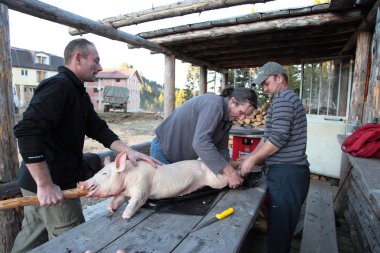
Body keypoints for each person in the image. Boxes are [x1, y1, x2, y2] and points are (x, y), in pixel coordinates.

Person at [11, 38, 160, 253]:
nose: (99, 67)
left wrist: (130, 152)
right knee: (74, 241)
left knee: (32, 237)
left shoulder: (78, 91)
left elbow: (98, 128)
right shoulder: (59, 86)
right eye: (96, 60)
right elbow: (26, 132)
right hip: (52, 185)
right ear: (78, 58)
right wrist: (45, 185)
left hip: (33, 180)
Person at [239, 62, 310, 253]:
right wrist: (248, 157)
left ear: (280, 78)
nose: (264, 88)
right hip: (286, 174)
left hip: (288, 174)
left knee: (279, 236)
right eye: (262, 85)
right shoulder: (280, 100)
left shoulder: (284, 100)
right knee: (279, 230)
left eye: (267, 83)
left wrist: (251, 161)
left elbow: (278, 139)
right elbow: (267, 137)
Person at [150, 87, 257, 188]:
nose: (242, 118)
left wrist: (229, 170)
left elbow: (222, 149)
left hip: (180, 159)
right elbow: (201, 143)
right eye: (241, 112)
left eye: (245, 116)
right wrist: (230, 173)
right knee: (167, 197)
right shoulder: (214, 104)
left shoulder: (227, 120)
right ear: (233, 101)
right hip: (164, 151)